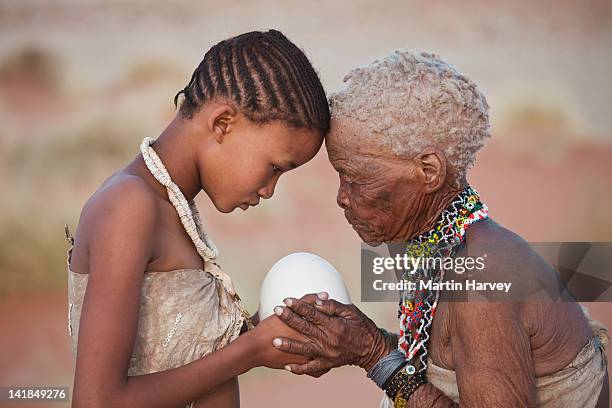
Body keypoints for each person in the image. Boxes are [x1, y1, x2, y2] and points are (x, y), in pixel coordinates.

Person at [271, 50, 609, 407]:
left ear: (429, 171)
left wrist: (373, 353)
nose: (342, 197)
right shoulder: (436, 247)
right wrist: (362, 344)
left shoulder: (482, 283)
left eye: (355, 179)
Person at [65, 30, 330, 408]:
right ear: (223, 123)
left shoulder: (173, 208)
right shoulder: (128, 207)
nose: (270, 189)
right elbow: (97, 401)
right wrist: (249, 352)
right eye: (274, 167)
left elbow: (178, 351)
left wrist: (268, 331)